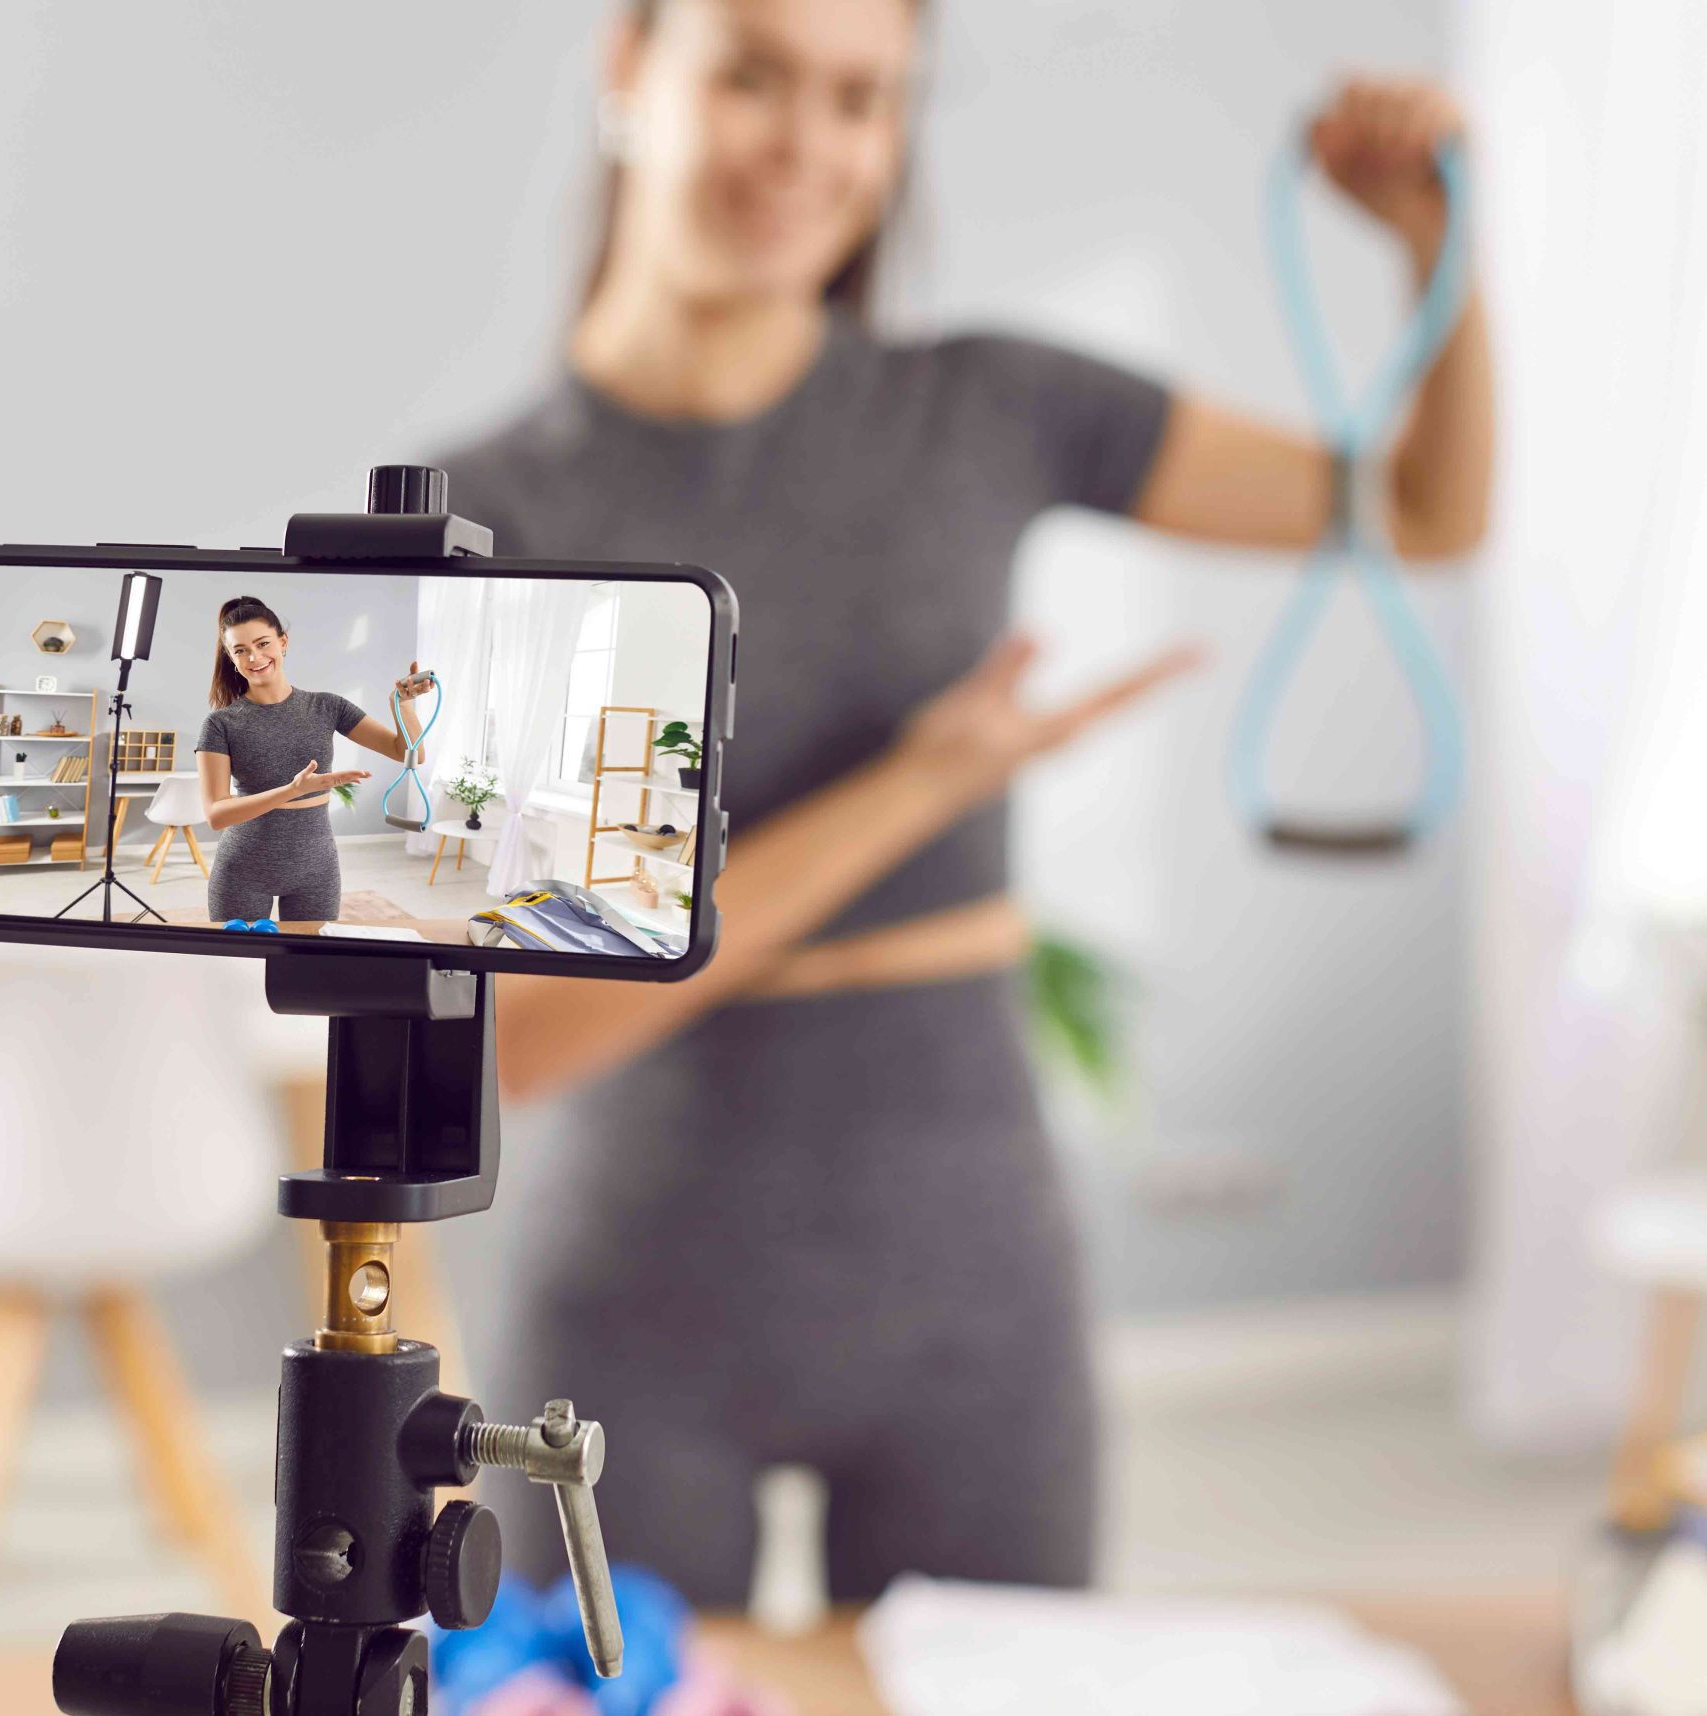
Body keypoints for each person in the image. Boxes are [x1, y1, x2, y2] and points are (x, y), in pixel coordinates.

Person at [436, 0, 1493, 1603]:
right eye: (754, 75)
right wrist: (917, 790)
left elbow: (1422, 511)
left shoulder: (992, 406)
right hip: (635, 1301)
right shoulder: (486, 520)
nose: (808, 143)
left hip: (970, 1284)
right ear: (629, 69)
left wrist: (1438, 253)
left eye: (863, 99)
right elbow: (521, 1044)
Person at [196, 594, 436, 923]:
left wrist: (403, 705)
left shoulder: (327, 707)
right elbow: (216, 815)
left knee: (312, 967)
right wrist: (291, 790)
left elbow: (409, 752)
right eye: (240, 650)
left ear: (283, 642)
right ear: (231, 658)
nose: (254, 657)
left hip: (316, 867)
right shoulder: (220, 724)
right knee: (240, 968)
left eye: (263, 643)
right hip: (243, 868)